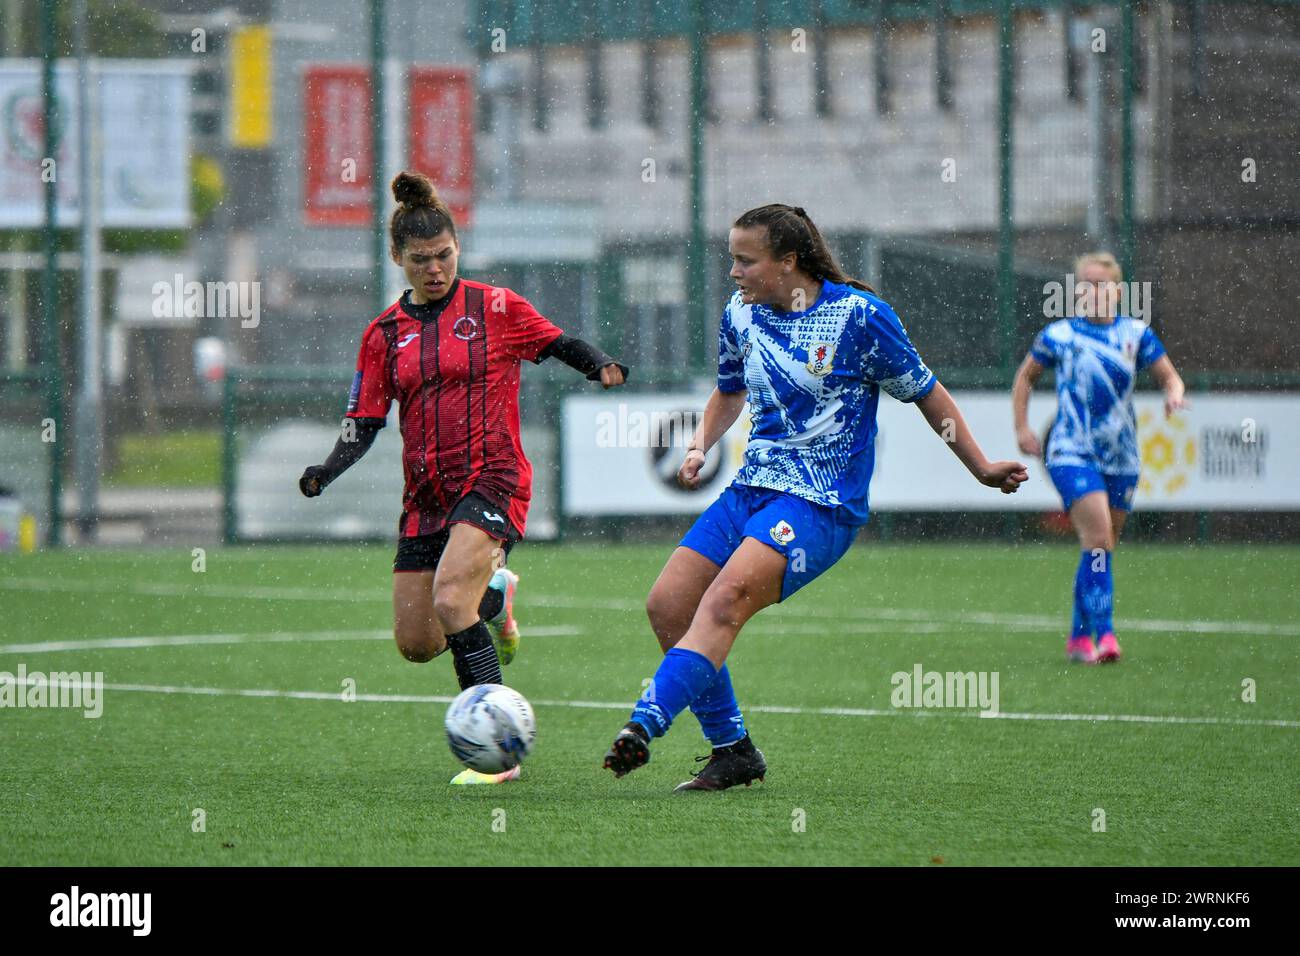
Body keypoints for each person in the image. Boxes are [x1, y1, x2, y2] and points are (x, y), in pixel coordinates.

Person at [601, 203, 1028, 789]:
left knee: (724, 603)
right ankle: (733, 751)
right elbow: (728, 393)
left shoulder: (860, 317)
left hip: (820, 502)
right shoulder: (740, 314)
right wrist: (700, 444)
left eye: (745, 261)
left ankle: (644, 725)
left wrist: (979, 466)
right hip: (752, 488)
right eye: (731, 260)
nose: (734, 273)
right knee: (668, 606)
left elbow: (927, 393)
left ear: (788, 262)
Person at [300, 171, 627, 782]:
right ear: (396, 257)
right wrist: (327, 470)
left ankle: (498, 756)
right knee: (417, 643)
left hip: (493, 478)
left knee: (451, 600)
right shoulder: (383, 335)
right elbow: (363, 421)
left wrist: (600, 364)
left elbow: (558, 341)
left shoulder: (496, 307)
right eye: (420, 260)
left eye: (445, 255)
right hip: (426, 495)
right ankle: (495, 601)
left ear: (458, 248)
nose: (435, 269)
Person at [1012, 251, 1185, 664]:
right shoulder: (1060, 336)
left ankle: (1077, 638)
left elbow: (1168, 375)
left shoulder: (1136, 335)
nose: (1093, 291)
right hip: (1070, 450)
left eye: (1102, 284)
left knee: (1101, 547)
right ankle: (1105, 636)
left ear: (1119, 291)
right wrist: (1022, 427)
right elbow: (1025, 378)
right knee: (1097, 539)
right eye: (1085, 284)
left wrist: (1174, 394)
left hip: (1121, 455)